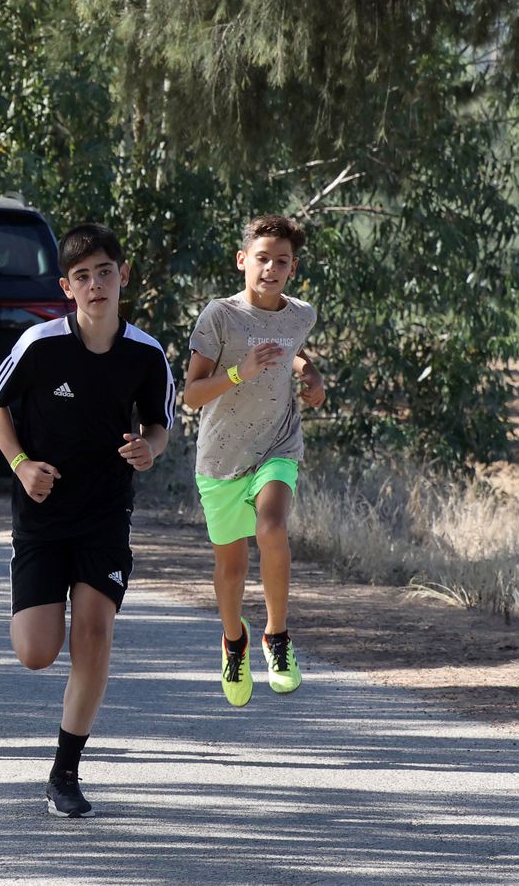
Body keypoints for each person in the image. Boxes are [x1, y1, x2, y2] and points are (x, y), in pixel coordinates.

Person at [0, 223, 175, 819]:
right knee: (38, 652)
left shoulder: (146, 353)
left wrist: (151, 449)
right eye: (83, 277)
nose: (96, 285)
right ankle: (33, 603)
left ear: (123, 278)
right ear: (68, 287)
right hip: (41, 516)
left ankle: (65, 774)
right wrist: (18, 463)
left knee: (93, 633)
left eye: (105, 273)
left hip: (105, 515)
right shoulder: (40, 344)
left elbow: (160, 424)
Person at [182, 214, 324, 707]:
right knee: (232, 570)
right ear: (243, 260)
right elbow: (192, 395)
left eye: (280, 261)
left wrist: (313, 377)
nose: (270, 268)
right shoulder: (219, 317)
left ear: (293, 268)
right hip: (221, 459)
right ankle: (234, 640)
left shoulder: (300, 314)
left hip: (277, 446)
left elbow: (292, 355)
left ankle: (277, 637)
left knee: (272, 527)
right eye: (262, 258)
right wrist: (240, 373)